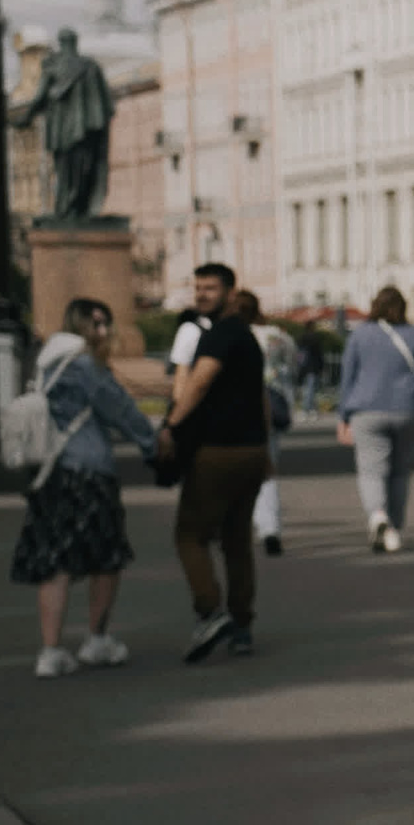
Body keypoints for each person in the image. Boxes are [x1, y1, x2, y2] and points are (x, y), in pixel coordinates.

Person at [12, 298, 161, 678]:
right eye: (96, 325)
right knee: (106, 558)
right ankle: (96, 639)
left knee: (55, 563)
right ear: (78, 326)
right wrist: (153, 445)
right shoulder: (83, 365)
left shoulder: (46, 361)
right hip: (89, 472)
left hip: (51, 473)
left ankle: (50, 651)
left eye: (106, 324)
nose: (104, 333)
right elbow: (120, 409)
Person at [157, 262, 273, 662]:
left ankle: (211, 612)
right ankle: (243, 625)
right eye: (198, 288)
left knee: (189, 535)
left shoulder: (220, 335)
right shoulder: (246, 337)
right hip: (252, 451)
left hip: (218, 452)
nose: (202, 294)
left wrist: (171, 425)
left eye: (210, 288)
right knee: (236, 540)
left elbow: (200, 381)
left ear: (230, 292)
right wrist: (267, 448)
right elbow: (260, 396)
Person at [338, 285, 414, 554]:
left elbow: (347, 378)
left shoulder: (359, 336)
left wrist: (344, 416)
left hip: (366, 410)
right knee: (399, 471)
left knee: (372, 469)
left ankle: (378, 516)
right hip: (408, 410)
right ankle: (394, 529)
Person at [233, 291, 297, 558]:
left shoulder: (228, 335)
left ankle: (236, 529)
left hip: (235, 407)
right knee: (266, 470)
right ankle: (270, 529)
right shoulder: (277, 336)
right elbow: (293, 364)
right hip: (270, 406)